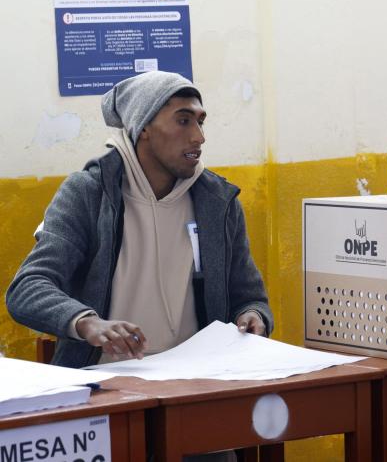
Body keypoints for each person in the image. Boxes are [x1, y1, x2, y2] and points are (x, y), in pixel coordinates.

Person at [7, 71, 273, 368]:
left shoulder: (217, 201)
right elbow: (27, 289)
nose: (199, 136)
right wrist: (86, 322)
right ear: (143, 127)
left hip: (198, 377)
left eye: (200, 121)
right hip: (102, 378)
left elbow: (249, 297)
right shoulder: (89, 193)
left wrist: (252, 315)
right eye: (183, 120)